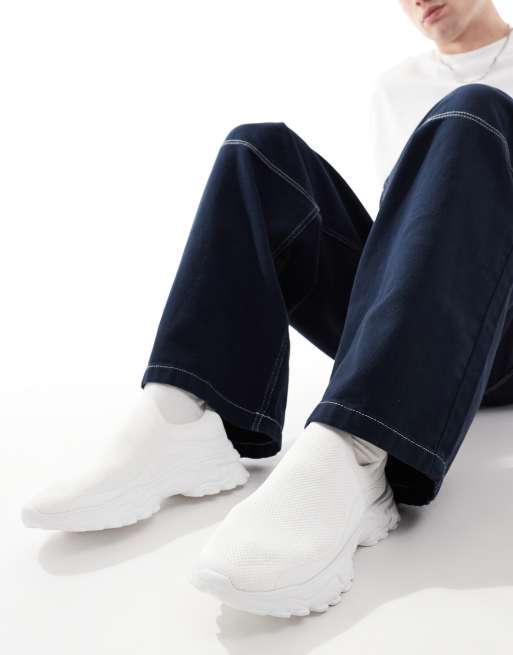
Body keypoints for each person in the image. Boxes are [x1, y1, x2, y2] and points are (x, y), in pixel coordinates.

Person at [21, 0, 513, 618]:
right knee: (257, 149)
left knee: (474, 112)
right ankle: (186, 413)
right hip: (428, 326)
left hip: (502, 330)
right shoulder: (394, 88)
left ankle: (359, 450)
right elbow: (404, 231)